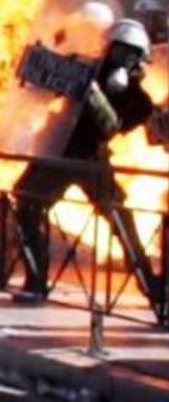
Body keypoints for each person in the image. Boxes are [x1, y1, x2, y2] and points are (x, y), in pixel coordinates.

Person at [14, 18, 162, 309]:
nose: (121, 59)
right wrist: (46, 67)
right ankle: (36, 281)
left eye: (129, 54)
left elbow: (111, 126)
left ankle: (154, 291)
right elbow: (45, 85)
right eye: (118, 50)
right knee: (26, 201)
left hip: (92, 161)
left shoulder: (139, 100)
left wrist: (92, 93)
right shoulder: (83, 71)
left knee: (120, 220)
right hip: (59, 152)